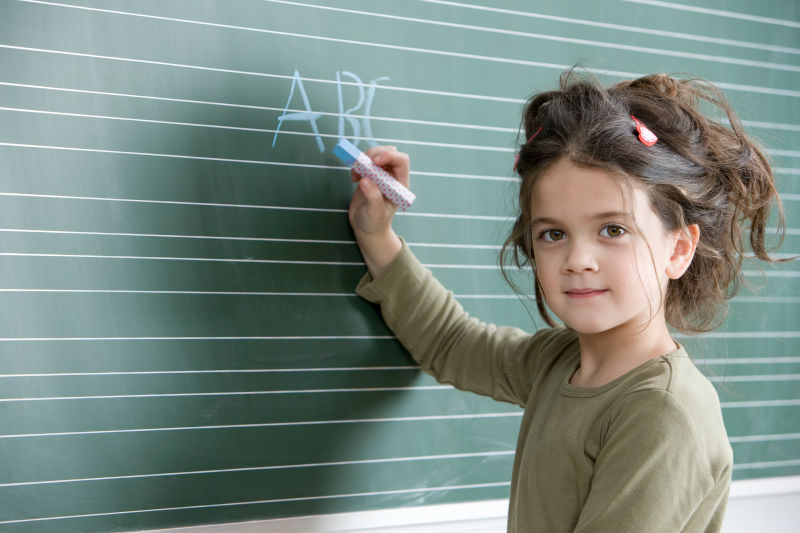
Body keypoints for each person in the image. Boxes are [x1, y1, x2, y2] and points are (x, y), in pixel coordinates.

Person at [347, 70, 785, 532]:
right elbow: (451, 343)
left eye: (612, 230)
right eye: (553, 234)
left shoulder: (663, 413)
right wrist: (374, 232)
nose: (578, 259)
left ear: (677, 249)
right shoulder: (557, 363)